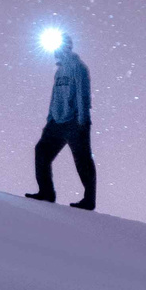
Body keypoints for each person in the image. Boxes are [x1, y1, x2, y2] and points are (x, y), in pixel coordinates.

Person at [26, 32, 95, 209]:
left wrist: (83, 121)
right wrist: (50, 119)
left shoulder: (78, 67)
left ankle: (89, 200)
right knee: (41, 151)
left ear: (66, 47)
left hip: (74, 122)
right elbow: (55, 97)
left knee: (82, 160)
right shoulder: (59, 71)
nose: (56, 52)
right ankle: (46, 193)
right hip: (56, 123)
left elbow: (83, 95)